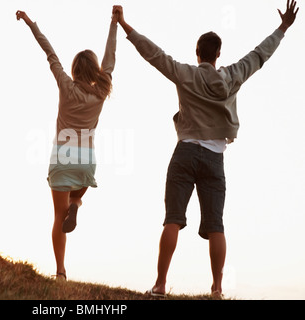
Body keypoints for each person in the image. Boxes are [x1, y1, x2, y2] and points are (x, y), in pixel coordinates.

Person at [112, 0, 298, 299]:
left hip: (184, 153)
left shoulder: (186, 73)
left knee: (173, 218)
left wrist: (124, 25)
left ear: (197, 53)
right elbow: (260, 54)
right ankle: (217, 289)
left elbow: (154, 54)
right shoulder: (234, 75)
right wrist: (283, 28)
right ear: (218, 55)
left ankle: (159, 285)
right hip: (215, 159)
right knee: (216, 225)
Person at [16, 9, 118, 281]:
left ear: (74, 71)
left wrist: (30, 23)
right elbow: (111, 57)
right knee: (77, 196)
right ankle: (77, 202)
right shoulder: (100, 92)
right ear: (96, 71)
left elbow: (49, 53)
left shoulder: (65, 85)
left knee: (58, 218)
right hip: (85, 160)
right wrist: (114, 23)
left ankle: (60, 272)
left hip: (62, 157)